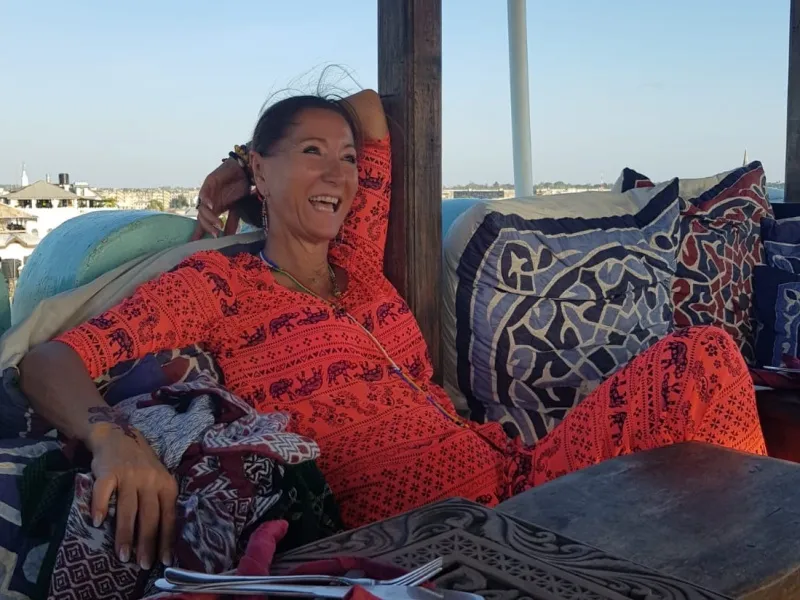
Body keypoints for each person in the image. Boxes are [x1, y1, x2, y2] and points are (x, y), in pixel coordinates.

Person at [19, 88, 767, 574]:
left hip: (517, 477)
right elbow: (49, 358)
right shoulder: (217, 285)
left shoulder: (356, 264)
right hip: (426, 533)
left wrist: (260, 160)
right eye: (311, 153)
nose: (338, 174)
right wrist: (112, 437)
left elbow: (369, 111)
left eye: (345, 160)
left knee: (700, 358)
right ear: (263, 172)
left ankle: (747, 561)